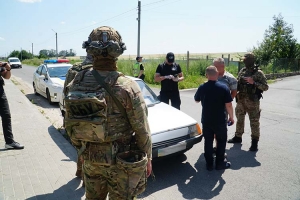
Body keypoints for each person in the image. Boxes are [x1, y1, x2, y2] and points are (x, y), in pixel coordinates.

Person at [64, 26, 152, 200]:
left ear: (90, 50)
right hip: (122, 162)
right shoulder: (127, 86)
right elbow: (142, 129)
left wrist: (82, 148)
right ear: (118, 51)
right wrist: (148, 158)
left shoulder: (77, 82)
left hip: (91, 159)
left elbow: (70, 122)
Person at [194, 66, 234, 171]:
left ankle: (209, 164)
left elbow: (196, 100)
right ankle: (220, 163)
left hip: (206, 120)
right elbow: (229, 105)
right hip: (220, 120)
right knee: (221, 141)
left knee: (208, 141)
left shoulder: (202, 87)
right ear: (217, 75)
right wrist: (231, 117)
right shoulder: (223, 88)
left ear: (206, 75)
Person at [63, 54, 93, 186]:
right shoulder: (94, 71)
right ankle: (86, 179)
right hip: (89, 116)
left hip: (73, 116)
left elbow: (65, 91)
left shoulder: (73, 69)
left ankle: (79, 170)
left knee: (80, 147)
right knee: (89, 149)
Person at [228, 52, 269, 151]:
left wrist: (253, 82)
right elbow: (238, 82)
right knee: (240, 120)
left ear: (251, 60)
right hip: (241, 100)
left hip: (252, 102)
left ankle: (254, 142)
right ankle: (238, 137)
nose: (244, 61)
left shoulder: (258, 73)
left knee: (254, 122)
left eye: (246, 59)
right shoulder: (243, 70)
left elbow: (265, 87)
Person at [213, 58, 237, 153]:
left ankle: (220, 148)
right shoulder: (212, 75)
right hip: (212, 107)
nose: (213, 67)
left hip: (223, 108)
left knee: (221, 128)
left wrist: (226, 102)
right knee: (213, 128)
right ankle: (216, 145)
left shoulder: (230, 78)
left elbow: (234, 92)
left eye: (215, 66)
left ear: (222, 66)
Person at [0, 61, 24, 149]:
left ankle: (9, 142)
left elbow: (6, 77)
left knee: (6, 116)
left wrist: (8, 69)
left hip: (0, 94)